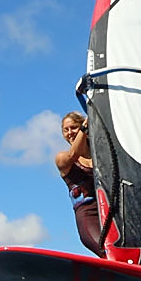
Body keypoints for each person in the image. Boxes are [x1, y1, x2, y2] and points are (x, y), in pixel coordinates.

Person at [54, 111, 105, 258]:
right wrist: (84, 128)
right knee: (107, 251)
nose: (70, 132)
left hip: (110, 210)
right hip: (88, 215)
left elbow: (131, 165)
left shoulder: (102, 155)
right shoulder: (62, 158)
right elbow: (73, 155)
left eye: (73, 127)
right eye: (66, 130)